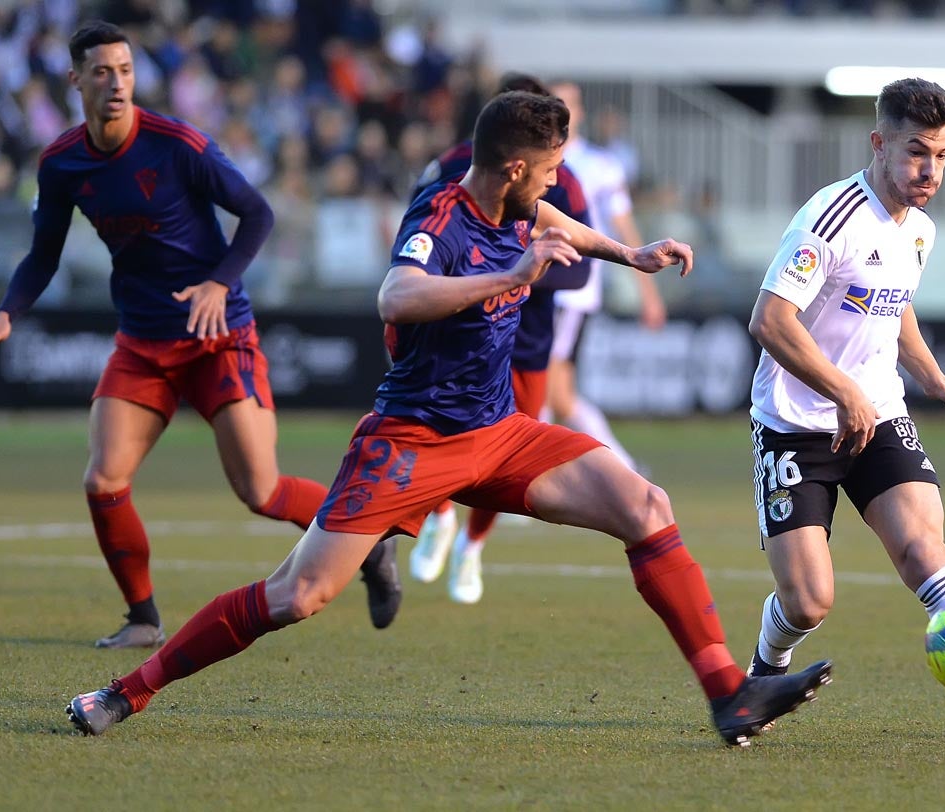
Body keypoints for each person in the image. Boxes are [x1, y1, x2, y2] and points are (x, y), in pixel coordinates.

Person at [66, 90, 832, 746]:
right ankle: (126, 691)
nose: (558, 183)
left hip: (498, 436)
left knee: (644, 505)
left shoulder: (524, 203)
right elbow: (395, 297)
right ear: (513, 169)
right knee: (293, 597)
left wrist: (629, 254)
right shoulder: (441, 216)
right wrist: (509, 274)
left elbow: (562, 227)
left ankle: (727, 695)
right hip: (412, 441)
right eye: (552, 169)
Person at [0, 21, 401, 647]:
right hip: (142, 341)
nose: (116, 83)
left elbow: (258, 212)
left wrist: (220, 283)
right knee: (102, 480)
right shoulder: (61, 162)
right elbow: (42, 256)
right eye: (102, 72)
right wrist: (9, 311)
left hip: (218, 334)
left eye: (125, 70)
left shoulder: (176, 144)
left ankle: (373, 542)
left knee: (262, 489)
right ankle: (143, 618)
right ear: (75, 80)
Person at [743, 77, 945, 743]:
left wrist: (929, 375)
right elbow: (769, 320)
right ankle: (765, 669)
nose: (929, 170)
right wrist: (840, 391)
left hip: (877, 415)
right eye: (915, 152)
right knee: (808, 600)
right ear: (877, 143)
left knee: (920, 547)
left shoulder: (919, 230)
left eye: (941, 154)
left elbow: (892, 300)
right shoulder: (829, 219)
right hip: (795, 426)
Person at [407, 72, 592, 605]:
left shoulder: (561, 183)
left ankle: (472, 544)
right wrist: (491, 275)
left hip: (526, 343)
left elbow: (578, 271)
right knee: (430, 432)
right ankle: (439, 514)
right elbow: (414, 249)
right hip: (452, 337)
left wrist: (521, 275)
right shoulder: (447, 171)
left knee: (503, 454)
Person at [544, 80, 665, 474]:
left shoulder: (599, 167)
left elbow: (625, 231)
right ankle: (622, 469)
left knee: (545, 387)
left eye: (570, 104)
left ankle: (531, 476)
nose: (563, 111)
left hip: (569, 291)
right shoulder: (534, 160)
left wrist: (648, 293)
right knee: (555, 394)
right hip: (536, 287)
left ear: (579, 113)